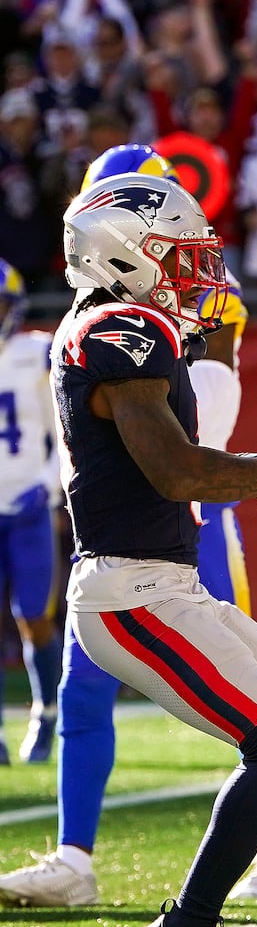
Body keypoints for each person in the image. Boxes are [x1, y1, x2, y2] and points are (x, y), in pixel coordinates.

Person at [45, 170, 257, 927]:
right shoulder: (117, 331)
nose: (196, 271)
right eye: (178, 254)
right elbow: (180, 468)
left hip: (166, 583)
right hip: (130, 593)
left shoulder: (119, 327)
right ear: (121, 256)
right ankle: (186, 924)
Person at [0, 143, 257, 907]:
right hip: (123, 527)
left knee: (254, 696)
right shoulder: (99, 312)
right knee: (81, 687)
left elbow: (213, 415)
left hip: (198, 515)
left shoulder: (192, 295)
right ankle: (72, 859)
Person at [0, 259, 61, 766]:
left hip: (27, 504)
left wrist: (47, 486)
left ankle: (46, 712)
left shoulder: (36, 352)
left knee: (35, 617)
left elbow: (64, 432)